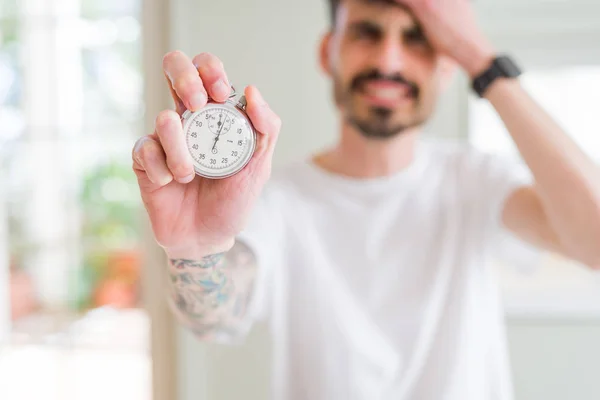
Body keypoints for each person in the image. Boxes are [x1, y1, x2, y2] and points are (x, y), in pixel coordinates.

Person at [132, 0, 600, 398]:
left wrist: (483, 61)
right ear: (326, 52)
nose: (390, 61)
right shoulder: (277, 201)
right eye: (366, 33)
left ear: (446, 62)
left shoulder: (477, 181)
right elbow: (215, 322)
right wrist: (195, 249)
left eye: (418, 39)